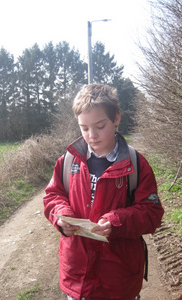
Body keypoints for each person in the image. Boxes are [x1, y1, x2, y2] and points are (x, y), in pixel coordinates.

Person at [43, 83, 164, 300]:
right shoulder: (68, 160)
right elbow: (53, 196)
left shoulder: (136, 164)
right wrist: (61, 217)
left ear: (116, 118)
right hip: (77, 277)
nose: (92, 135)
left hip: (119, 280)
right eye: (84, 128)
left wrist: (117, 221)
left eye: (100, 126)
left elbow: (152, 214)